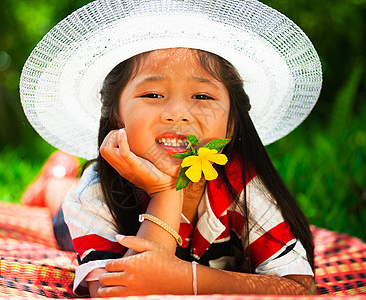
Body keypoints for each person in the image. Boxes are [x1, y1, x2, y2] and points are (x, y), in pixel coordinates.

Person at [19, 0, 322, 297]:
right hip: (79, 218)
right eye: (153, 94)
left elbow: (299, 285)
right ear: (115, 114)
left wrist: (185, 279)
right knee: (61, 201)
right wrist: (166, 191)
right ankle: (53, 179)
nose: (178, 113)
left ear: (231, 124)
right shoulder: (96, 192)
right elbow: (115, 292)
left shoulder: (240, 181)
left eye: (202, 96)